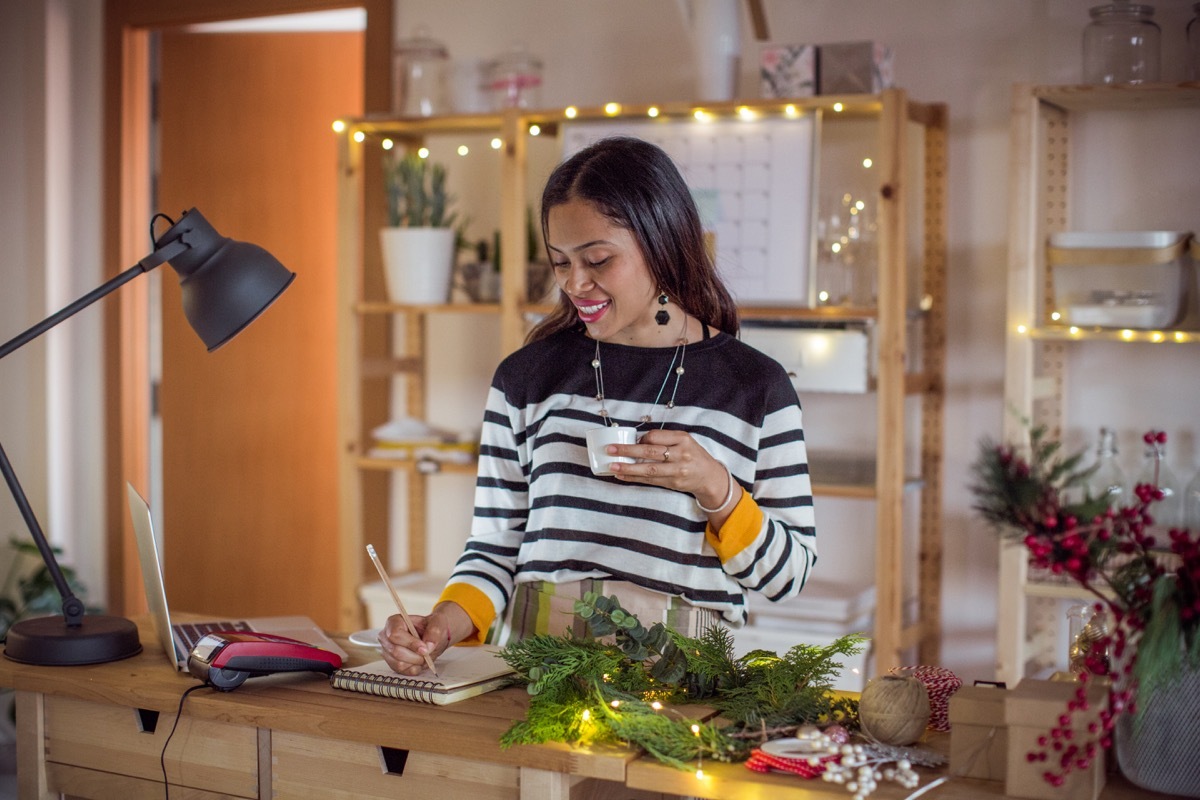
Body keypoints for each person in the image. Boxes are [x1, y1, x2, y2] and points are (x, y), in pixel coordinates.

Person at [379, 136, 817, 676]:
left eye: (598, 260)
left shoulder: (755, 388)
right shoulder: (527, 378)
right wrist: (443, 624)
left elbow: (786, 577)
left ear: (662, 244)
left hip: (681, 697)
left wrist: (717, 489)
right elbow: (495, 546)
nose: (575, 284)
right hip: (535, 684)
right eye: (561, 263)